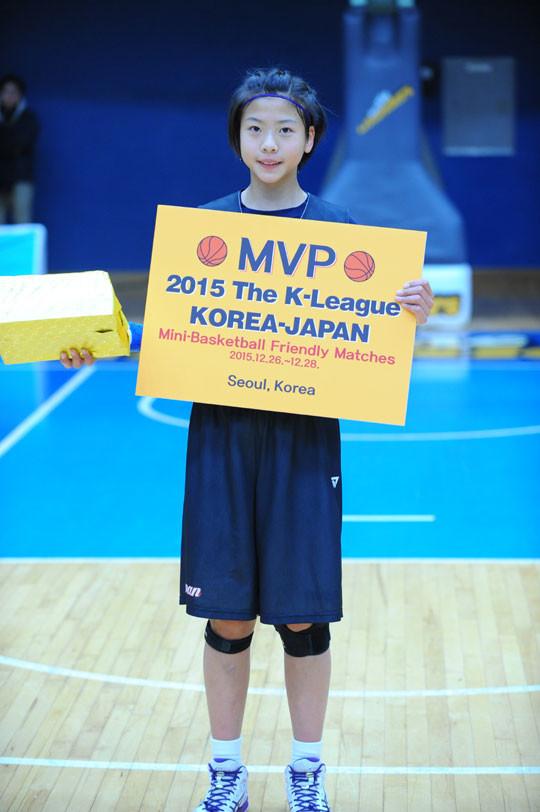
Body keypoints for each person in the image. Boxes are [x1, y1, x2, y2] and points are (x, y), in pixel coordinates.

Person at [61, 67, 433, 812]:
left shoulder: (341, 232)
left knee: (303, 616)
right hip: (222, 440)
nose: (269, 143)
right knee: (227, 616)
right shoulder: (205, 228)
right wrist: (99, 344)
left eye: (285, 130)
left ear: (310, 140)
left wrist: (410, 313)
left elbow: (367, 337)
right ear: (237, 140)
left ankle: (306, 771)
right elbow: (178, 332)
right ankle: (225, 771)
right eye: (255, 129)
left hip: (304, 444)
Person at [0, 73, 39, 224]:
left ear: (20, 95)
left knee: (22, 222)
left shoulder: (29, 119)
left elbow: (20, 144)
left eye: (13, 92)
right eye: (5, 91)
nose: (9, 96)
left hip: (20, 178)